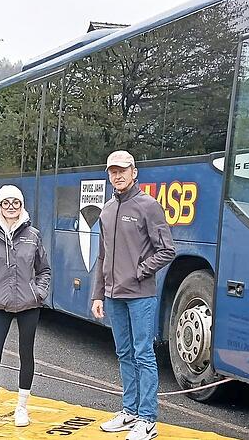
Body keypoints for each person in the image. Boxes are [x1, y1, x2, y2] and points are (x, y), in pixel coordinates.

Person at [91, 150, 175, 440]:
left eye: (123, 170)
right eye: (113, 171)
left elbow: (167, 250)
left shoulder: (148, 206)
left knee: (143, 355)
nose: (118, 176)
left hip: (140, 295)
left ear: (134, 172)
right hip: (113, 296)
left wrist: (140, 271)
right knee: (124, 353)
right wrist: (98, 295)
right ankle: (129, 411)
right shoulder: (106, 210)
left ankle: (147, 419)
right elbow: (102, 256)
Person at [0, 185, 51, 428]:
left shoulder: (33, 235)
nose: (11, 207)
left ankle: (22, 408)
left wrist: (38, 293)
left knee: (26, 356)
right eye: (6, 203)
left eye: (15, 202)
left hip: (29, 305)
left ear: (21, 205)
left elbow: (44, 270)